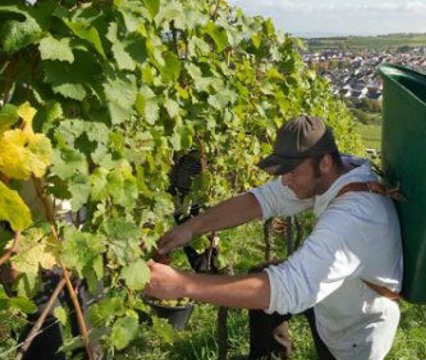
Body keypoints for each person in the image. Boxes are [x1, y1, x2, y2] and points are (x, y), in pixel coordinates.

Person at [144, 115, 403, 360]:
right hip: (332, 297)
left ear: (324, 162)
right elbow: (262, 199)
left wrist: (181, 284)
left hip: (354, 330)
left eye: (291, 171)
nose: (285, 180)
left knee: (278, 290)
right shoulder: (337, 170)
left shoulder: (353, 216)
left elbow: (289, 288)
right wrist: (191, 227)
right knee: (265, 276)